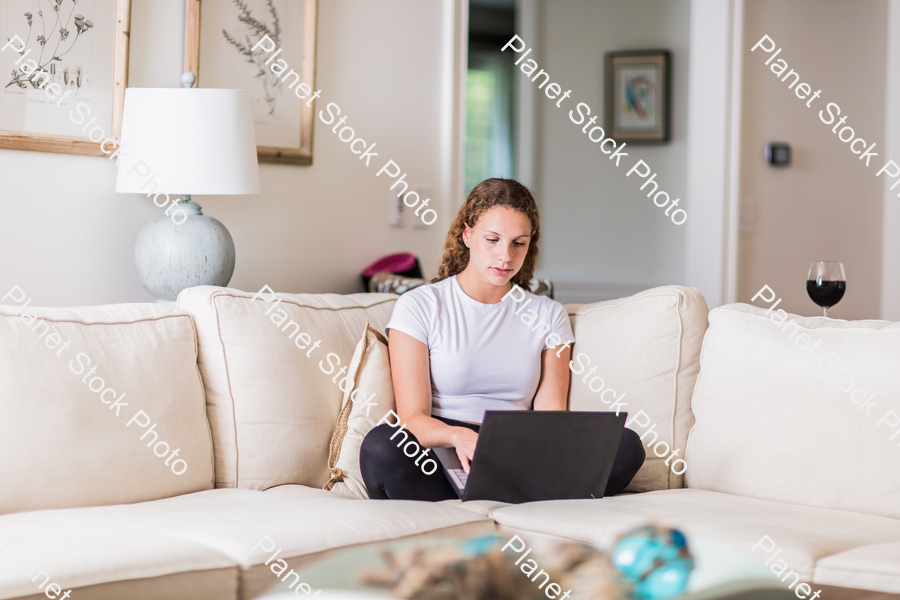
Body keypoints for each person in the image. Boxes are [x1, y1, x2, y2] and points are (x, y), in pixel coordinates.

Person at [360, 178, 645, 501]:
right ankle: (524, 498)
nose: (505, 256)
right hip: (445, 449)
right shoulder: (420, 305)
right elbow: (413, 418)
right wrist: (459, 437)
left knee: (625, 445)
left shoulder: (549, 314)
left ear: (531, 242)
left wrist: (531, 453)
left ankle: (511, 494)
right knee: (381, 446)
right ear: (467, 235)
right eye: (492, 239)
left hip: (519, 452)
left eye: (518, 243)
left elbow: (551, 414)